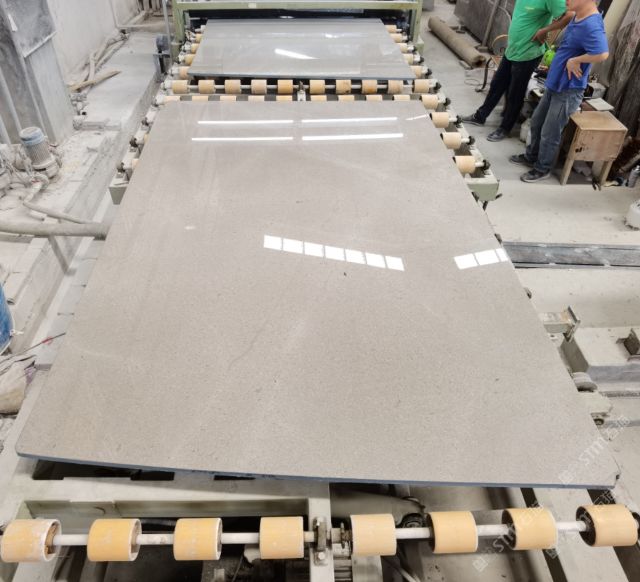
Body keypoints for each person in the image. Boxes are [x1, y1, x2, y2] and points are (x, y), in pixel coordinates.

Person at [511, 0, 609, 182]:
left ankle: (542, 168)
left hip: (568, 89)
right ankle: (531, 157)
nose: (565, 0)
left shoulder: (591, 24)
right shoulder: (578, 16)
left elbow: (602, 53)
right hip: (554, 83)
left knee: (550, 133)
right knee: (537, 122)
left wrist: (576, 61)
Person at [462, 0, 570, 142]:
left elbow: (569, 15)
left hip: (528, 52)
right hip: (512, 49)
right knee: (496, 84)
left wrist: (545, 30)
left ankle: (505, 128)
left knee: (515, 93)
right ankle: (480, 116)